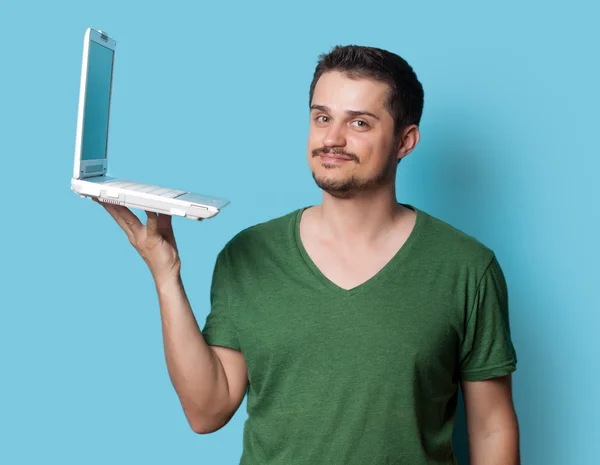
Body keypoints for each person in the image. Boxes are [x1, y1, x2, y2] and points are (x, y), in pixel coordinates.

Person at [97, 45, 520, 465]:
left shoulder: (466, 267)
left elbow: (491, 426)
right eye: (322, 118)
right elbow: (207, 411)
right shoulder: (249, 253)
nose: (332, 139)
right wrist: (165, 274)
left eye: (359, 122)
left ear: (405, 141)